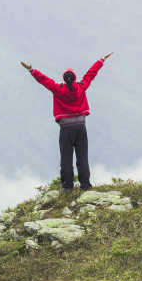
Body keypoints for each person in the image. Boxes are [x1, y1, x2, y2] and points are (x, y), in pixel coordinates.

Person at [21, 52, 113, 192]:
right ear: (74, 79)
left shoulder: (58, 89)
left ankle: (68, 186)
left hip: (66, 129)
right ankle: (85, 185)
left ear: (64, 79)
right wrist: (101, 60)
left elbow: (44, 80)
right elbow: (90, 74)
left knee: (66, 158)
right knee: (82, 157)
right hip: (81, 127)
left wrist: (31, 70)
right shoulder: (81, 87)